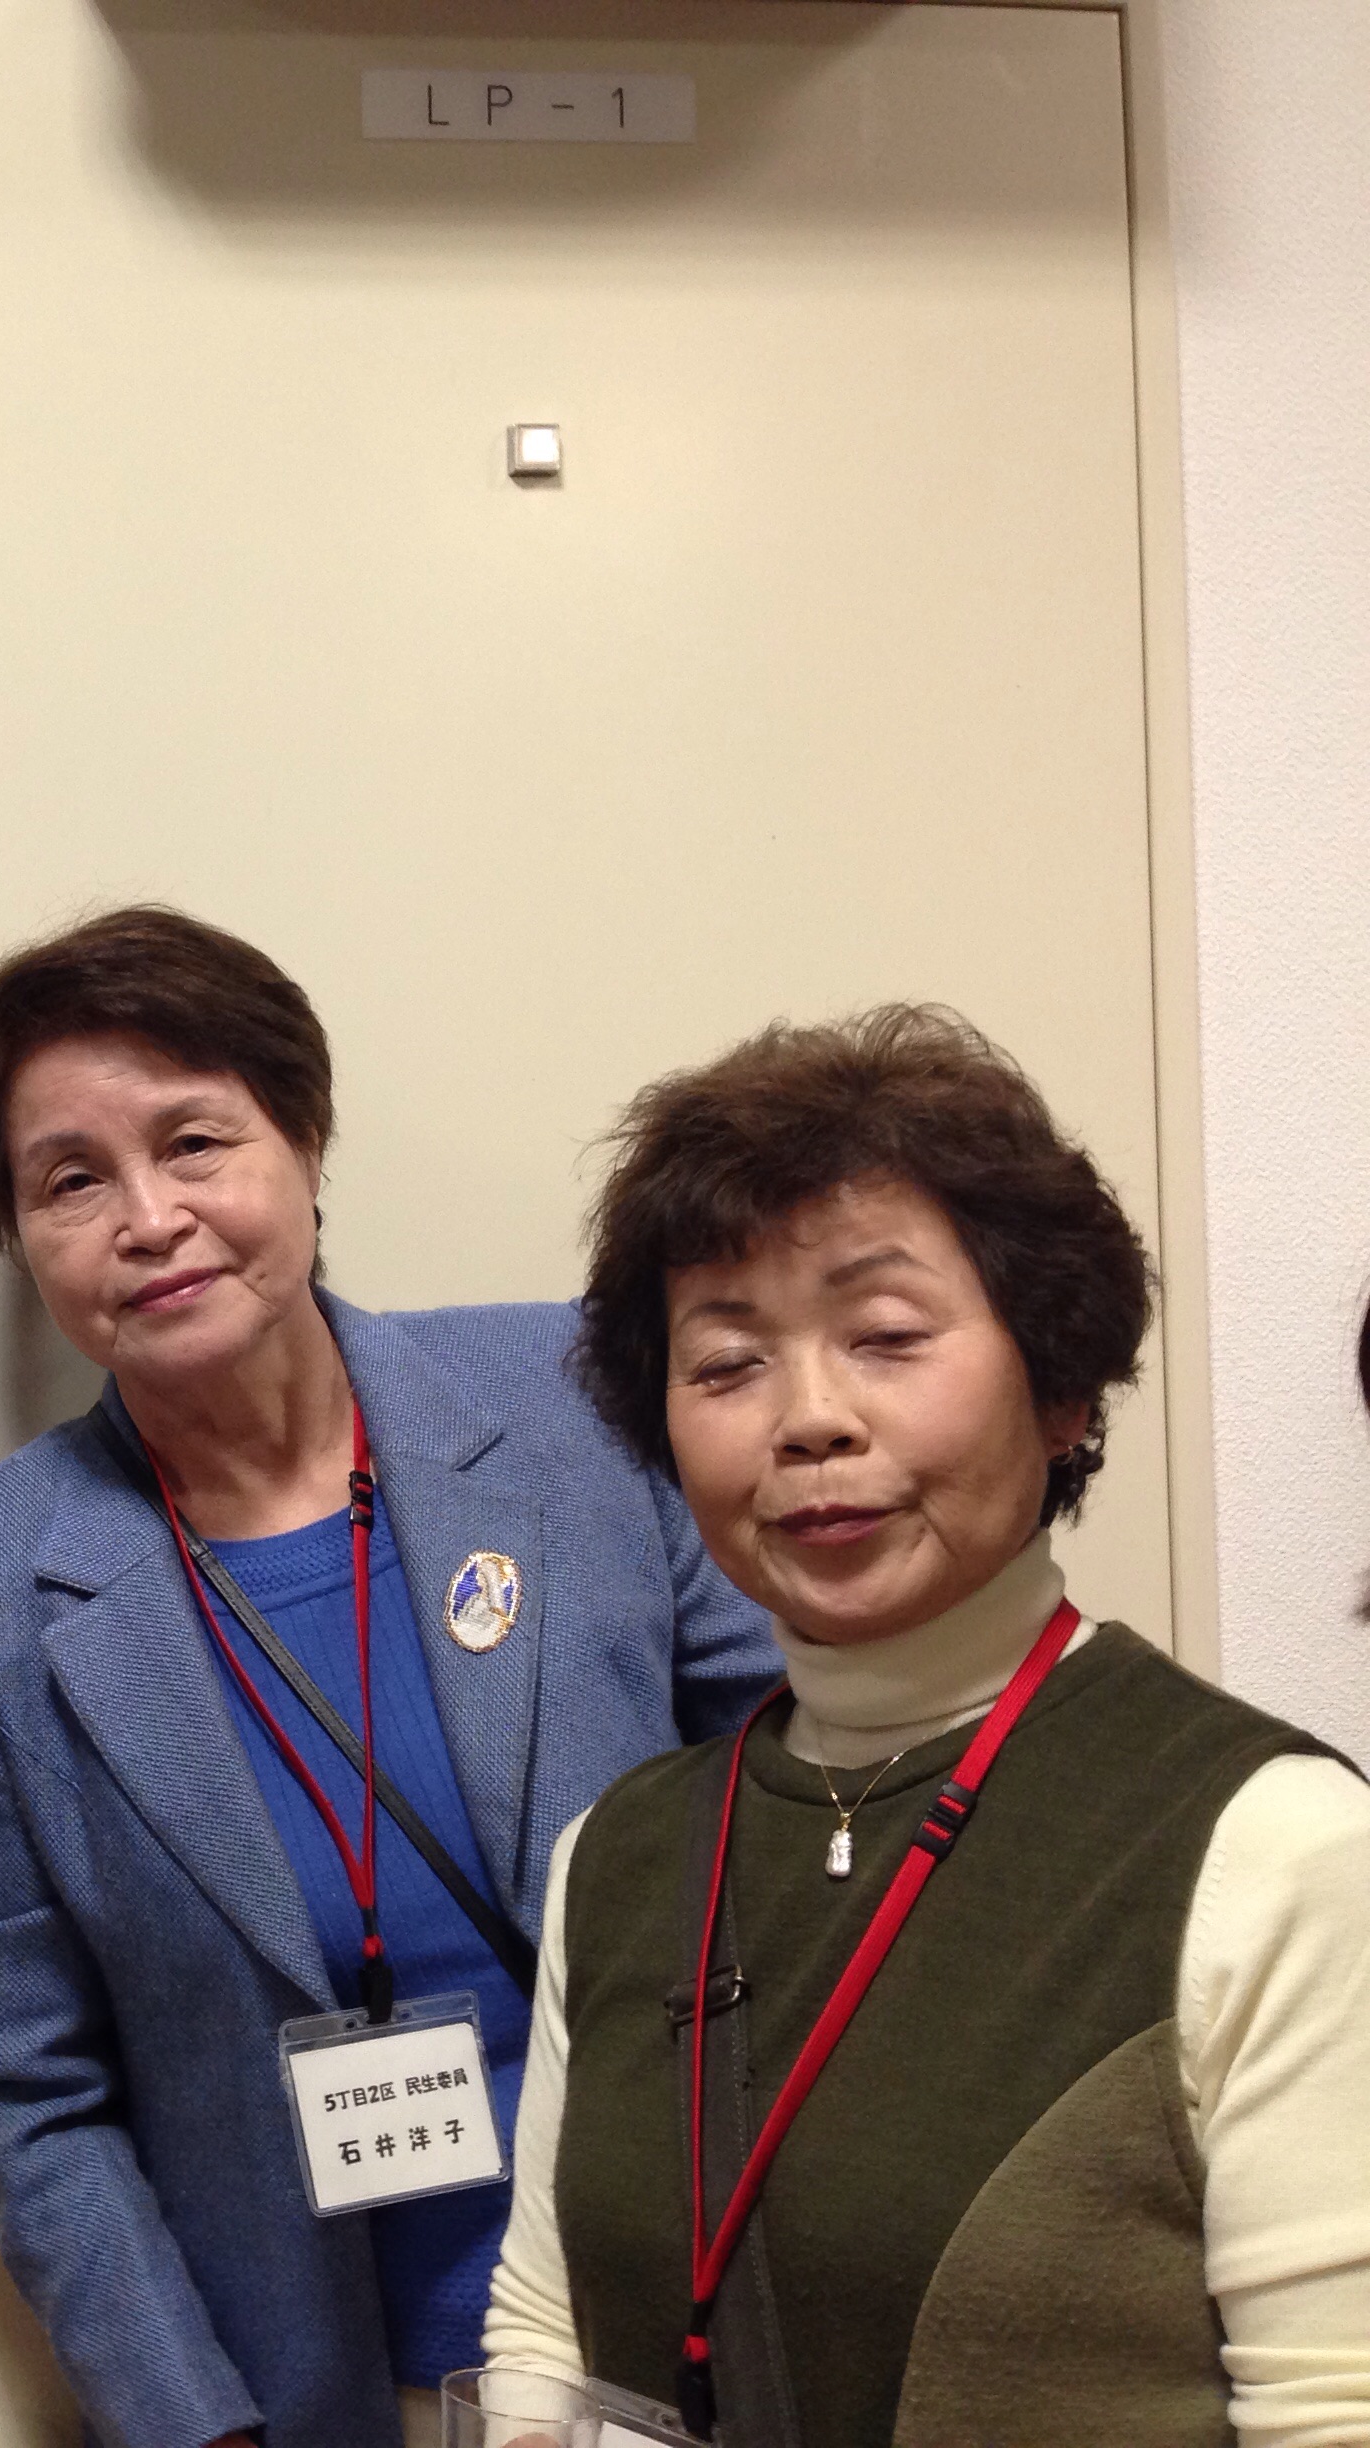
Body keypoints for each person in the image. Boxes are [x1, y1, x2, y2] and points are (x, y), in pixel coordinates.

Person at [0, 908, 775, 2448]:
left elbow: (799, 1807)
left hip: (697, 2344)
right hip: (333, 2400)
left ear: (304, 1142)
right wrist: (199, 2428)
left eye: (195, 1143)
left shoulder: (579, 1398)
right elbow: (27, 2095)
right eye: (71, 1181)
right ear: (23, 1238)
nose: (149, 1218)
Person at [483, 1006, 1370, 2446]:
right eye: (728, 1362)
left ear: (1062, 1389)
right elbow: (545, 2333)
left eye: (887, 1336)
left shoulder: (1275, 1846)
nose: (809, 1419)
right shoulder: (621, 1852)